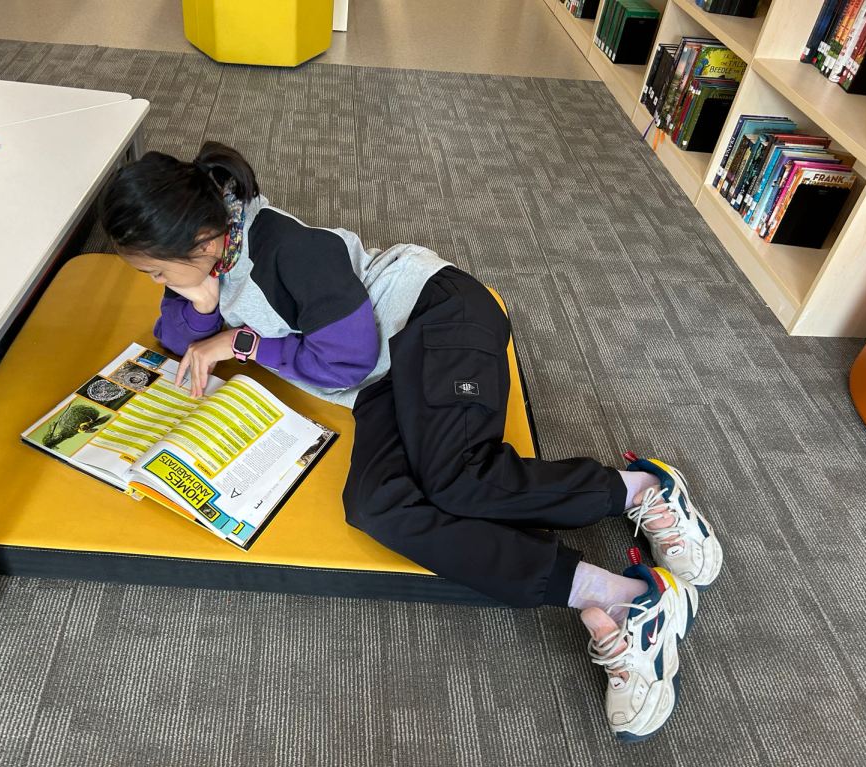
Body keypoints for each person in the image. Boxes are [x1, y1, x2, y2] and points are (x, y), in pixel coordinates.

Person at [99, 141, 724, 742]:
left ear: (205, 240)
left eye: (157, 270)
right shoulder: (208, 259)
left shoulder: (287, 249)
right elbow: (174, 337)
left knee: (458, 478)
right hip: (383, 379)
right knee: (376, 507)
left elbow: (347, 357)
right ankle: (627, 601)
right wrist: (198, 301)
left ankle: (641, 489)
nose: (157, 280)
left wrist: (240, 342)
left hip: (433, 317)